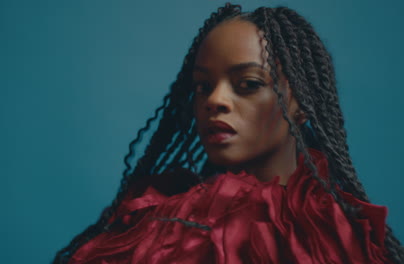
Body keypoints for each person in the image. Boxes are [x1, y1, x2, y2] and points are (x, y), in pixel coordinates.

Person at [53, 3, 404, 264]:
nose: (215, 101)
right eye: (203, 86)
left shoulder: (338, 233)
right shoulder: (151, 222)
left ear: (301, 103)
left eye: (248, 84)